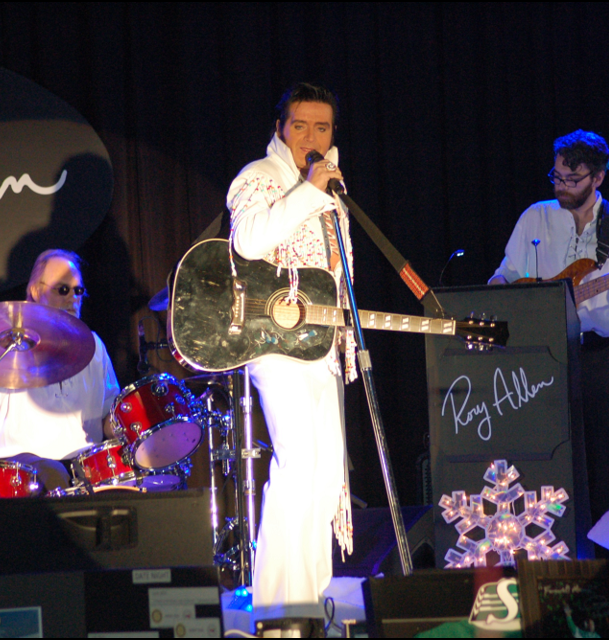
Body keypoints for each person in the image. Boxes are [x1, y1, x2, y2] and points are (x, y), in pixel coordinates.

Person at [227, 82, 354, 623]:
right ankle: (281, 607)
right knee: (299, 464)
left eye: (322, 128)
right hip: (276, 343)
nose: (311, 137)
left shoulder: (332, 187)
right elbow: (250, 240)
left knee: (325, 476)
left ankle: (313, 599)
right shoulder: (260, 178)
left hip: (322, 344)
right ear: (280, 128)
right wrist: (308, 190)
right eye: (300, 125)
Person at [489, 130, 609, 527]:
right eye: (557, 176)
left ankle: (596, 556)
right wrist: (499, 299)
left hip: (596, 358)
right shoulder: (535, 216)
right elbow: (505, 274)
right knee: (537, 457)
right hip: (538, 355)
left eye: (572, 179)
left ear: (597, 178)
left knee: (596, 463)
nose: (561, 186)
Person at [0, 249, 120, 492]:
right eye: (63, 289)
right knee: (54, 473)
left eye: (78, 290)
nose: (73, 298)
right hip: (19, 465)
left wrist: (140, 424)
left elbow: (108, 419)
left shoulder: (94, 345)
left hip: (84, 465)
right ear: (37, 291)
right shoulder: (10, 338)